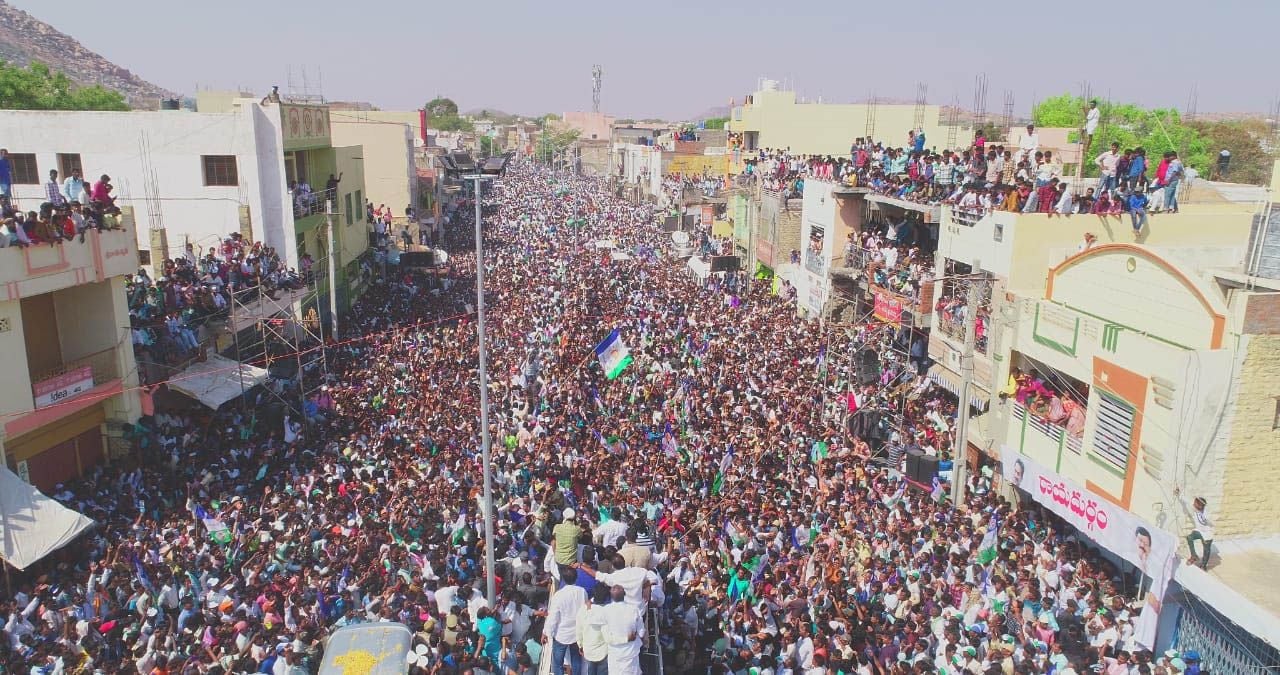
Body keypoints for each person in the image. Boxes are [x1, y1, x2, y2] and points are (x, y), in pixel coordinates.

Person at [545, 566, 586, 675]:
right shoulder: (582, 592)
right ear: (576, 577)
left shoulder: (558, 595)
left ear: (563, 578)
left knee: (557, 664)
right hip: (577, 633)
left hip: (561, 635)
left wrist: (547, 633)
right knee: (576, 660)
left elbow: (553, 617)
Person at [599, 585, 644, 675]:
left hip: (615, 655)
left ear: (611, 595)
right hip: (631, 653)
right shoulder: (634, 609)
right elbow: (641, 633)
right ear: (624, 594)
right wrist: (628, 638)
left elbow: (608, 639)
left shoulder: (605, 610)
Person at [1175, 487, 1213, 569]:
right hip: (1199, 531)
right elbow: (1187, 501)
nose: (1193, 504)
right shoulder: (1195, 508)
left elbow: (1210, 522)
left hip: (1207, 533)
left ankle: (1204, 565)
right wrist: (1179, 493)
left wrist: (1203, 517)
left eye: (1196, 504)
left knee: (1206, 549)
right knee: (1190, 537)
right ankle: (1194, 555)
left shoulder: (1207, 513)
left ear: (1200, 506)